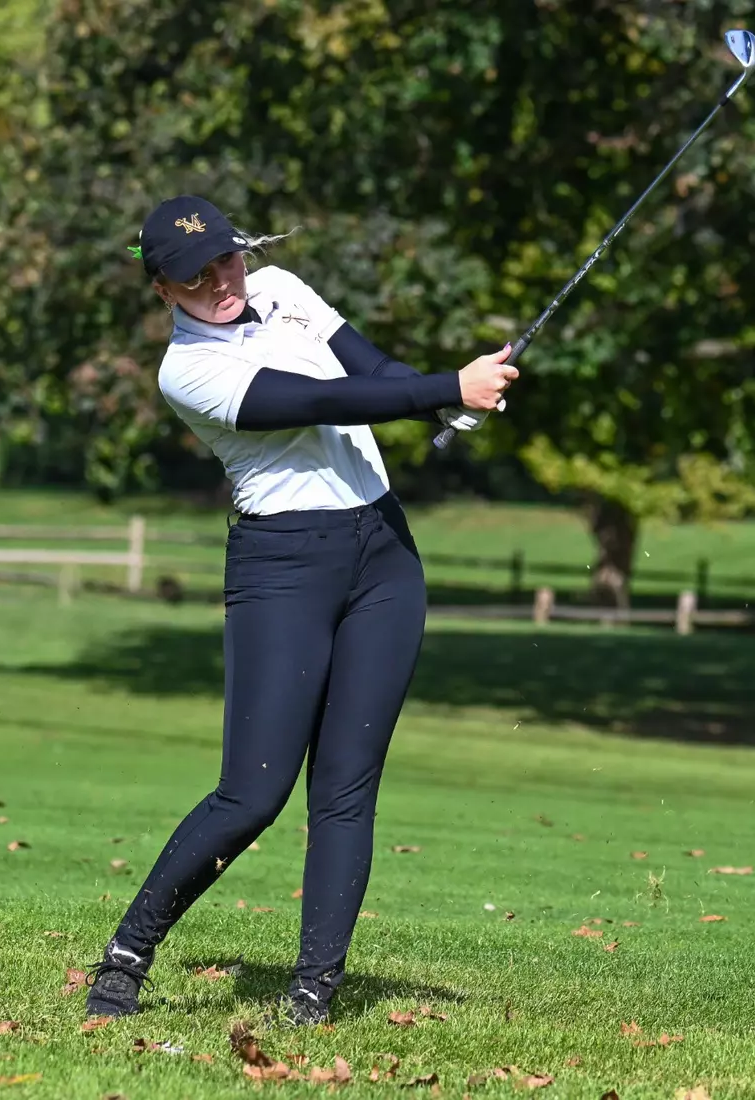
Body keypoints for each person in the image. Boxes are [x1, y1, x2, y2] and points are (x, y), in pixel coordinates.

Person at [83, 195, 517, 1026]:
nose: (220, 282)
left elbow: (372, 374)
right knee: (252, 793)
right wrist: (444, 388)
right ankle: (127, 958)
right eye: (194, 277)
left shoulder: (282, 286)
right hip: (285, 565)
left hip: (384, 554)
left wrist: (444, 397)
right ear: (163, 292)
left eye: (225, 260)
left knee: (347, 791)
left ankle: (313, 996)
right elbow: (318, 404)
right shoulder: (189, 374)